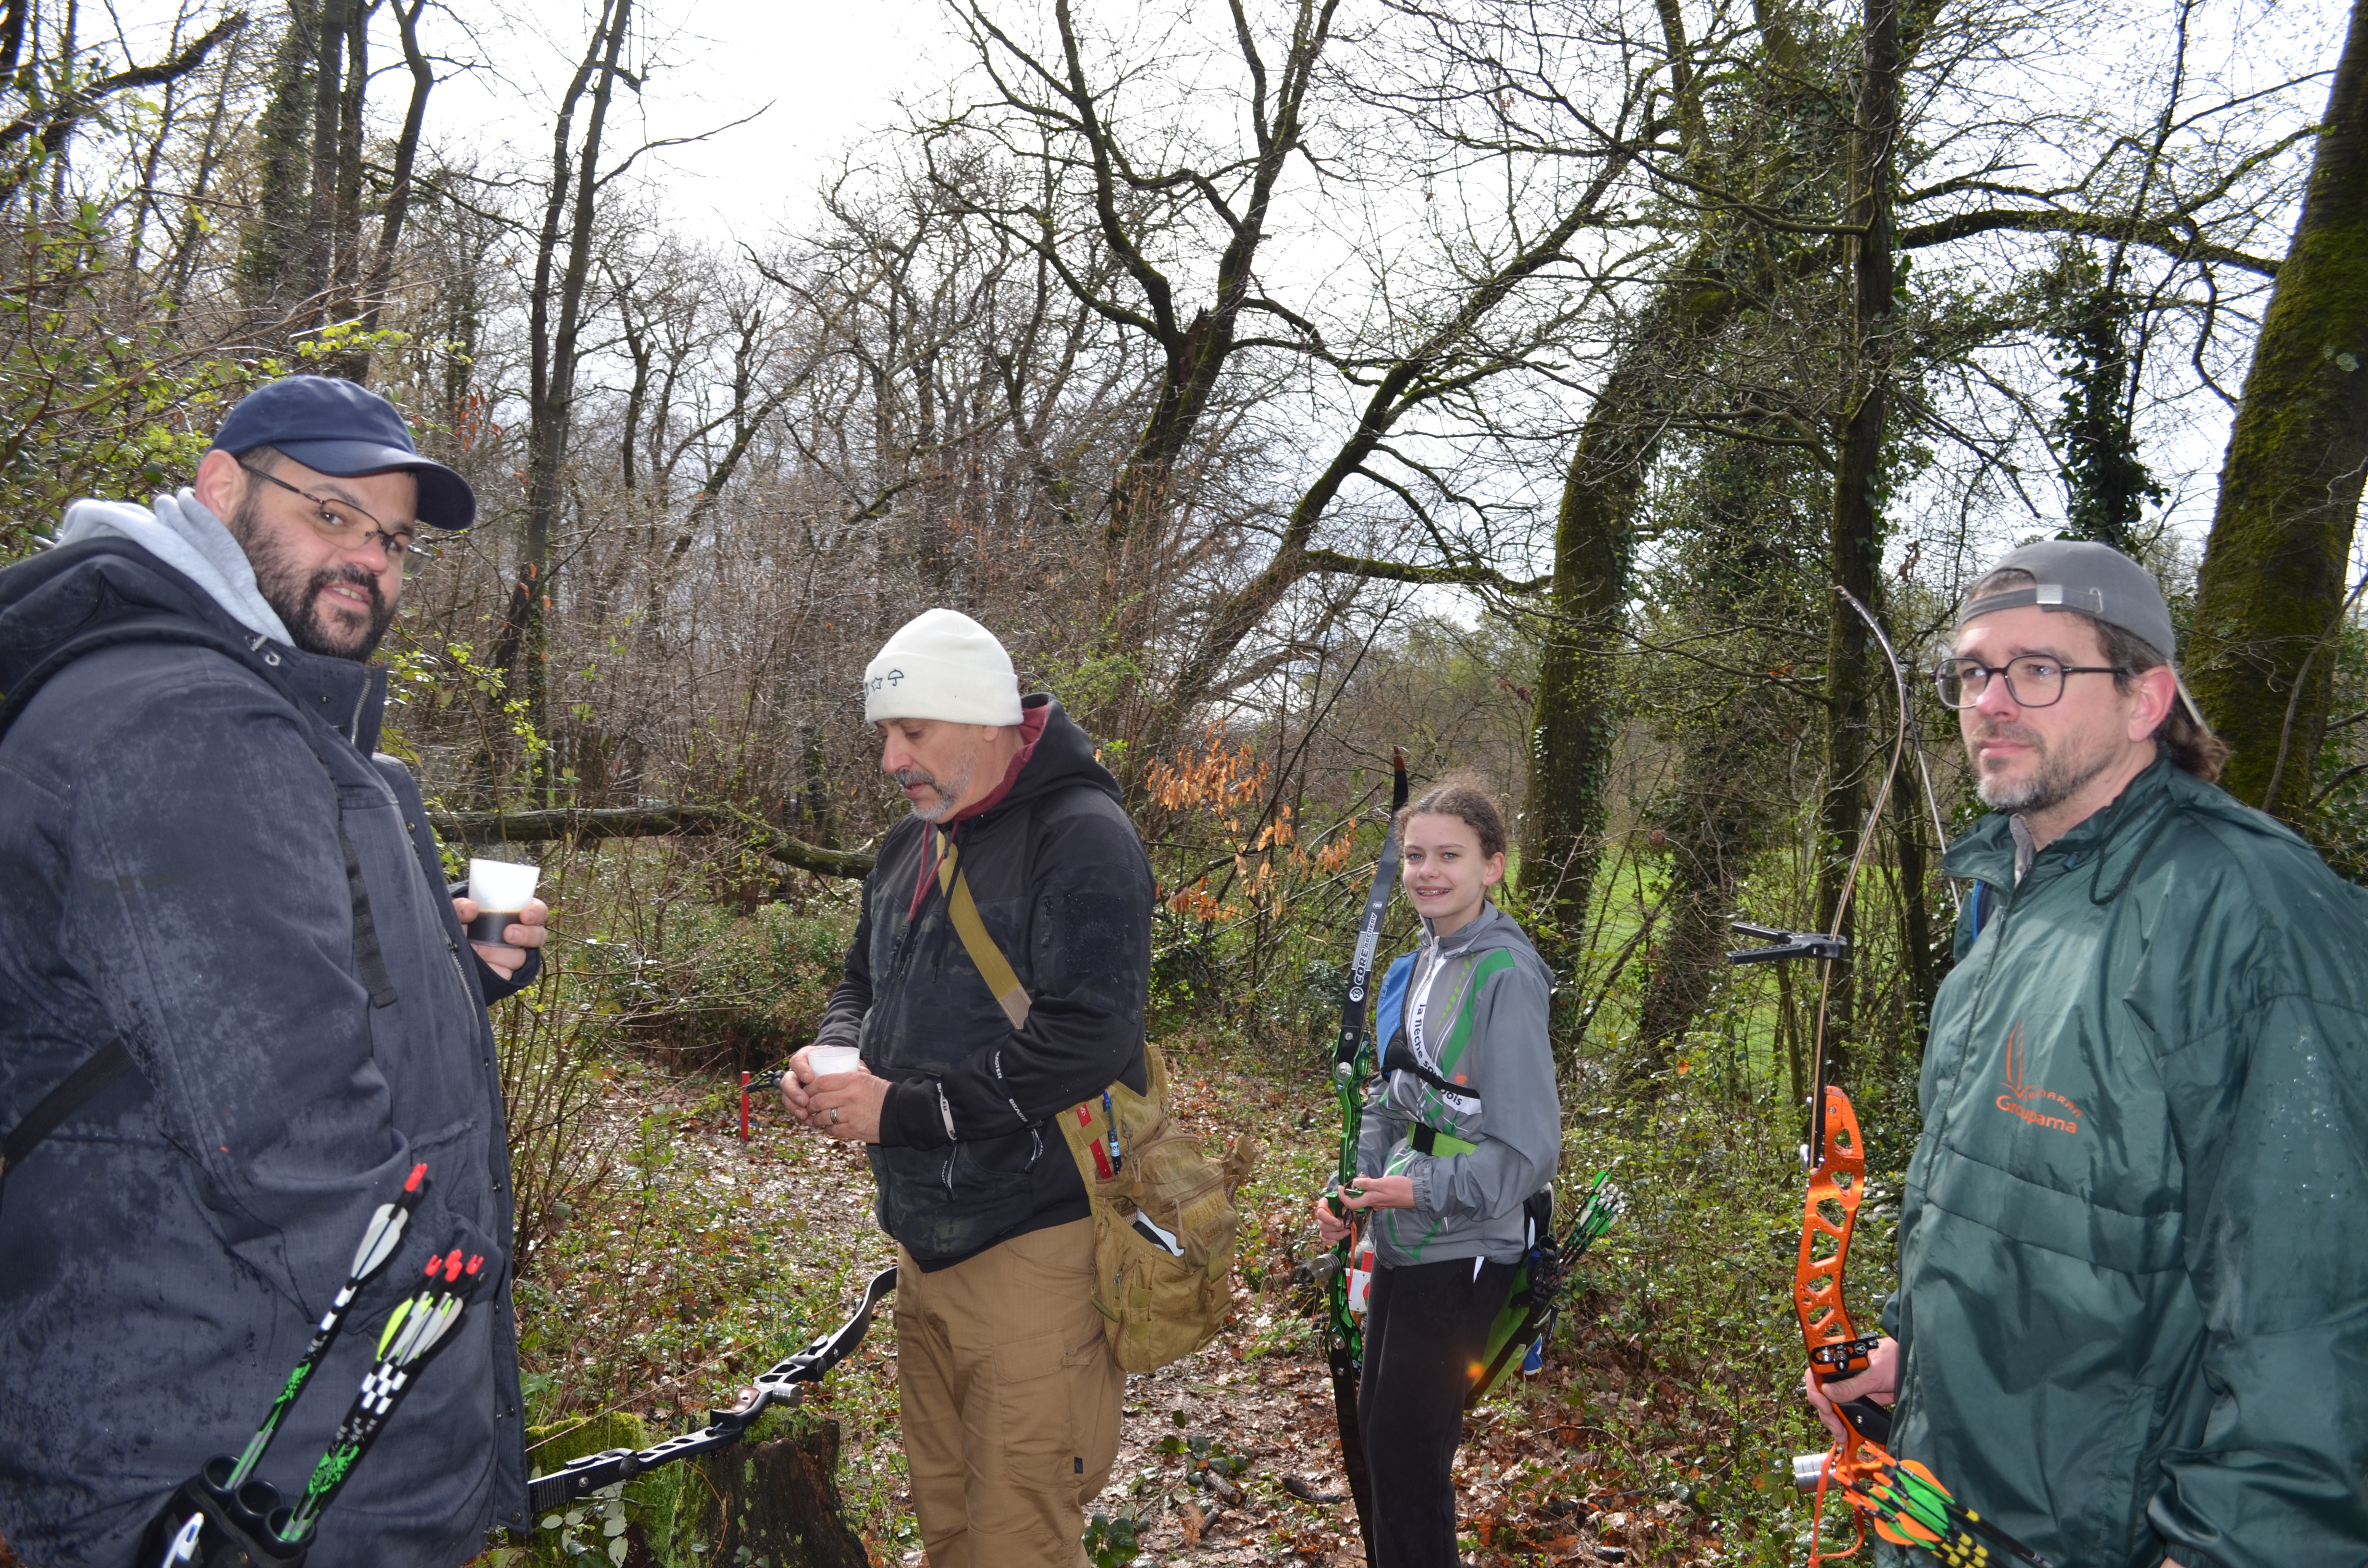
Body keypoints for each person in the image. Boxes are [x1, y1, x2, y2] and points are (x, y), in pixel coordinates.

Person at [0, 375, 550, 1566]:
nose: (370, 560)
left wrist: (453, 968)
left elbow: (202, 1012)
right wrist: (440, 1315)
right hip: (248, 1445)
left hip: (276, 1413)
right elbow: (294, 1142)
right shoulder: (185, 724)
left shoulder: (256, 711)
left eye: (393, 540)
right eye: (333, 514)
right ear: (220, 488)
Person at [1803, 539, 2368, 1568]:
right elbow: (2014, 1227)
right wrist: (1910, 1362)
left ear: (2146, 699)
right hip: (1947, 1509)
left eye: (2039, 670)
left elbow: (2317, 1326)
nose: (1993, 701)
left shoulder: (2249, 917)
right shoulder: (2008, 904)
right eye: (1973, 673)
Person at [776, 608, 1153, 1568]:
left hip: (1035, 1250)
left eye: (913, 732)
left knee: (1017, 1541)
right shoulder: (913, 841)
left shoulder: (1082, 838)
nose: (892, 759)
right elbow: (862, 980)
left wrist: (900, 1111)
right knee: (950, 1529)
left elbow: (1090, 1040)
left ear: (985, 721)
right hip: (923, 1245)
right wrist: (835, 1059)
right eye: (885, 737)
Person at [1313, 774, 1559, 1568]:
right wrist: (1354, 1187)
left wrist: (1414, 1188)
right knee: (1388, 1453)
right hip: (1402, 1236)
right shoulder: (1416, 964)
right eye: (1415, 855)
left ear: (1492, 864)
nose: (1426, 871)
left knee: (1410, 1462)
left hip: (1471, 1242)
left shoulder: (1506, 977)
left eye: (1449, 855)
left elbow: (1527, 1153)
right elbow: (1393, 1099)